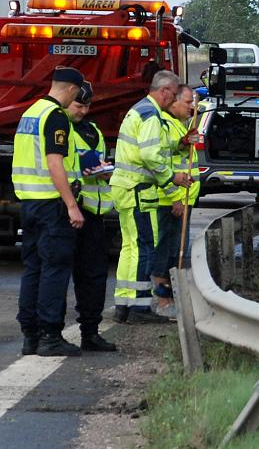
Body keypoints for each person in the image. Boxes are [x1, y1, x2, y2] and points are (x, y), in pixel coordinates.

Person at [110, 70, 191, 324]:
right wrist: (172, 179)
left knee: (129, 247)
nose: (175, 98)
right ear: (164, 90)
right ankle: (139, 306)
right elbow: (151, 156)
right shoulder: (151, 115)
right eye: (175, 93)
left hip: (126, 188)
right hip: (137, 189)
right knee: (142, 247)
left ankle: (124, 302)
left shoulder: (140, 111)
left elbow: (154, 150)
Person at [13, 66, 84, 357]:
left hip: (28, 203)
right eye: (76, 95)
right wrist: (71, 204)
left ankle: (30, 335)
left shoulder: (30, 112)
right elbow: (55, 163)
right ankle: (50, 335)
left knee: (33, 269)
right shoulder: (55, 117)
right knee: (54, 269)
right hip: (51, 206)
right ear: (70, 90)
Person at [66, 81, 117, 351]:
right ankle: (49, 333)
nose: (83, 111)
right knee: (60, 274)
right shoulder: (59, 129)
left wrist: (104, 170)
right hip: (69, 211)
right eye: (78, 105)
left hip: (94, 213)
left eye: (86, 105)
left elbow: (98, 163)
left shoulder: (93, 130)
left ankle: (90, 331)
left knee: (95, 276)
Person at [151, 84, 200, 316]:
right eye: (188, 102)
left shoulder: (179, 125)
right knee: (167, 250)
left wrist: (184, 142)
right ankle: (162, 300)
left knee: (174, 250)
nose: (191, 107)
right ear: (174, 102)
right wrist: (175, 198)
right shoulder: (165, 124)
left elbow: (177, 153)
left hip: (183, 196)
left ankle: (171, 296)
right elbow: (162, 162)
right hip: (171, 198)